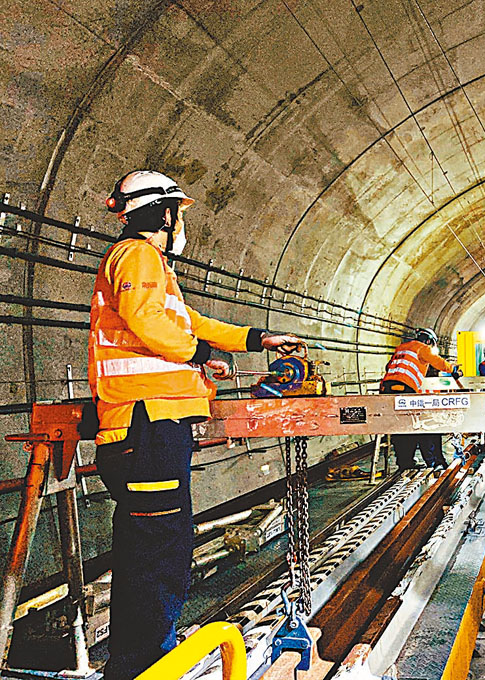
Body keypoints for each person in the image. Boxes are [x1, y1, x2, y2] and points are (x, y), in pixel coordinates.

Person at [90, 170, 303, 679]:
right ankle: (145, 665)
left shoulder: (153, 267)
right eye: (178, 213)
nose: (181, 223)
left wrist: (255, 339)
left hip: (150, 427)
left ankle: (145, 657)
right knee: (158, 553)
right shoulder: (138, 255)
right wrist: (202, 355)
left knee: (156, 547)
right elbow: (148, 322)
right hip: (145, 426)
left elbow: (188, 322)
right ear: (164, 214)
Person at [380, 328, 461, 470]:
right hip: (405, 388)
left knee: (401, 427)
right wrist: (453, 370)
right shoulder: (422, 348)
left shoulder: (401, 348)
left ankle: (405, 462)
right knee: (413, 426)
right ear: (429, 341)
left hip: (386, 388)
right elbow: (438, 362)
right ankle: (431, 461)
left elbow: (389, 366)